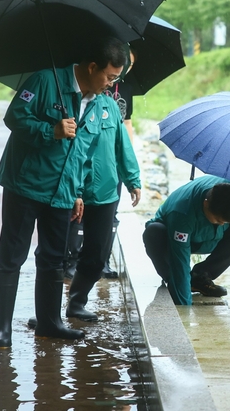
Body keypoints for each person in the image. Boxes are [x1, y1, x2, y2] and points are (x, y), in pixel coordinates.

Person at [0, 36, 128, 348]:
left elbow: (83, 150)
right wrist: (49, 130)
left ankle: (50, 323)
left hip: (63, 191)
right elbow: (15, 117)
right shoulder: (43, 80)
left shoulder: (96, 103)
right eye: (109, 76)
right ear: (92, 67)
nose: (110, 84)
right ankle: (3, 328)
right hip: (25, 184)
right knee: (12, 255)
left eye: (116, 78)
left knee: (53, 258)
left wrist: (77, 190)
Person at [65, 88, 142, 321]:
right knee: (56, 254)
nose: (111, 82)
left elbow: (122, 144)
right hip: (69, 191)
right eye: (108, 76)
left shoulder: (109, 105)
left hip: (105, 192)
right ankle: (47, 313)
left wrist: (132, 179)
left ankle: (76, 302)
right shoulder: (67, 102)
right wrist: (74, 191)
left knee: (97, 256)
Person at [142, 175, 230, 305]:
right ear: (205, 203)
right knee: (153, 232)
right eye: (218, 220)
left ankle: (199, 277)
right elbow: (180, 261)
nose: (222, 224)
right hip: (170, 240)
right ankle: (172, 280)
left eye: (225, 222)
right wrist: (184, 309)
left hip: (207, 238)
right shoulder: (182, 212)